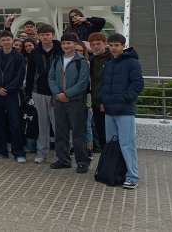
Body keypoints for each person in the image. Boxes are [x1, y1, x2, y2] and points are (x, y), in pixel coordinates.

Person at [100, 33, 144, 189]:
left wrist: (126, 98)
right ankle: (115, 172)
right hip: (109, 110)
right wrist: (103, 102)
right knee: (112, 144)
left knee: (127, 144)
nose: (113, 48)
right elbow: (104, 85)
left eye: (116, 45)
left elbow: (138, 84)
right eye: (111, 45)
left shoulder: (132, 62)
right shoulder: (109, 63)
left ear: (123, 46)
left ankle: (132, 177)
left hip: (125, 110)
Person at [48, 32, 91, 174]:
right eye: (64, 43)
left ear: (75, 45)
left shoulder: (81, 62)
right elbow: (51, 78)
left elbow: (83, 82)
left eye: (69, 43)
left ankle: (82, 162)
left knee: (79, 133)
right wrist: (58, 94)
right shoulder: (57, 60)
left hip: (76, 102)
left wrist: (67, 94)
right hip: (59, 101)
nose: (66, 46)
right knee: (61, 131)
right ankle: (63, 160)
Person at [26, 23, 62, 164]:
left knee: (58, 125)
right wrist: (28, 93)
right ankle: (42, 153)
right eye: (42, 35)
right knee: (42, 124)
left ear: (52, 35)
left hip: (56, 93)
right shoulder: (35, 52)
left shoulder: (60, 50)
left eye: (48, 34)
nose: (45, 37)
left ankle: (61, 154)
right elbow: (30, 74)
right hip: (39, 92)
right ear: (38, 36)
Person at [0, 31, 27, 162]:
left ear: (12, 40)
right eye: (3, 40)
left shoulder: (18, 56)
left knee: (15, 123)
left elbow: (19, 76)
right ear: (0, 41)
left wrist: (8, 89)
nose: (6, 42)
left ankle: (19, 153)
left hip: (12, 94)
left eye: (8, 39)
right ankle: (0, 150)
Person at [88, 32, 111, 152]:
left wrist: (104, 101)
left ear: (105, 44)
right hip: (96, 103)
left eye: (98, 44)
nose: (95, 47)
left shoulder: (112, 59)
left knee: (110, 136)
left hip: (107, 104)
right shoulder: (93, 60)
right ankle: (106, 164)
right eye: (92, 44)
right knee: (101, 135)